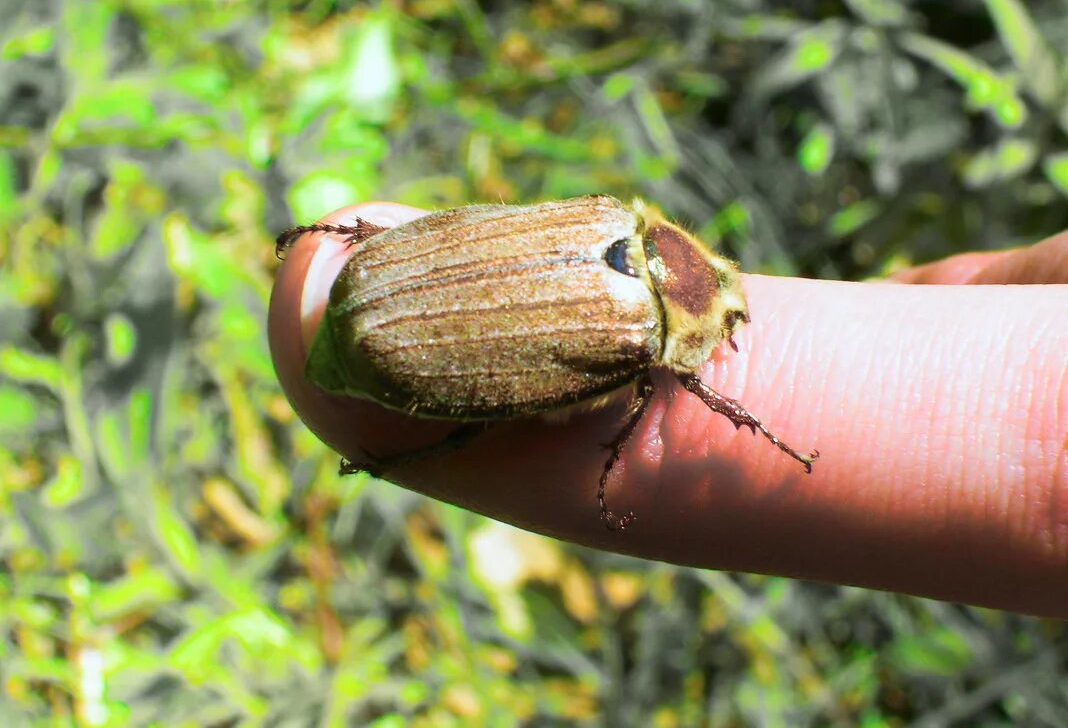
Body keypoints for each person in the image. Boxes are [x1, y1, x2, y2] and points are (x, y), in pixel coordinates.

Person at [269, 202, 1068, 618]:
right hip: (397, 340)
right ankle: (397, 452)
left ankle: (353, 252)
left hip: (384, 286)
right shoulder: (635, 337)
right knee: (476, 429)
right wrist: (734, 434)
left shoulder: (604, 218)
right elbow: (679, 389)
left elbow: (472, 229)